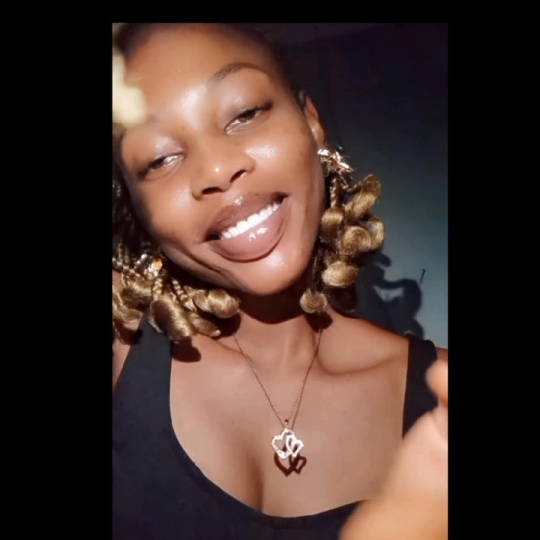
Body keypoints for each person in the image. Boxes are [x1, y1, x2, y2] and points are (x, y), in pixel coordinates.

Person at [112, 23, 448, 540]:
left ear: (311, 122)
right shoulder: (121, 343)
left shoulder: (438, 398)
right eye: (159, 159)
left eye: (245, 113)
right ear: (137, 206)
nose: (217, 170)